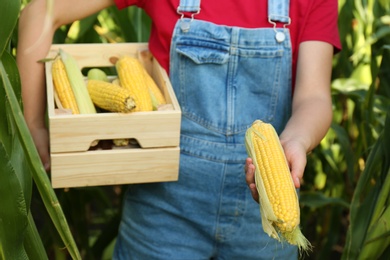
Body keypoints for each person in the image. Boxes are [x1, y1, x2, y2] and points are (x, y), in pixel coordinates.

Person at [17, 0, 341, 259]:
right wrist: (32, 123)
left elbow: (314, 97)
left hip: (267, 216)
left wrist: (295, 140)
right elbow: (40, 11)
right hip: (163, 210)